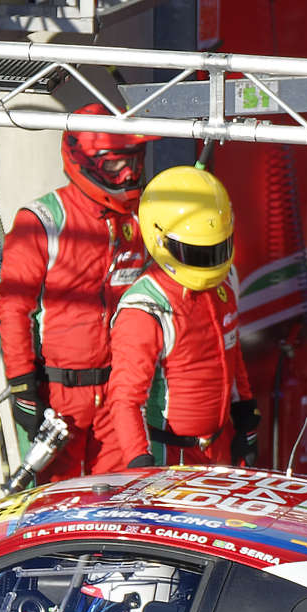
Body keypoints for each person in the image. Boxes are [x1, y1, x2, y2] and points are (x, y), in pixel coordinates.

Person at [0, 109, 150, 477]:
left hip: (121, 392)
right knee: (52, 505)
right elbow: (13, 309)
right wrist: (21, 386)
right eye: (116, 166)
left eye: (134, 163)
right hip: (58, 395)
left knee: (120, 500)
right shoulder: (42, 220)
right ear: (82, 161)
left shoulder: (143, 216)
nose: (128, 176)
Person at [105, 168, 255, 469]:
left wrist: (247, 421)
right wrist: (140, 462)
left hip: (219, 449)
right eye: (198, 254)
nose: (211, 262)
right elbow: (125, 400)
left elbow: (231, 349)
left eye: (217, 250)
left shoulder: (226, 281)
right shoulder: (144, 309)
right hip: (168, 458)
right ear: (160, 239)